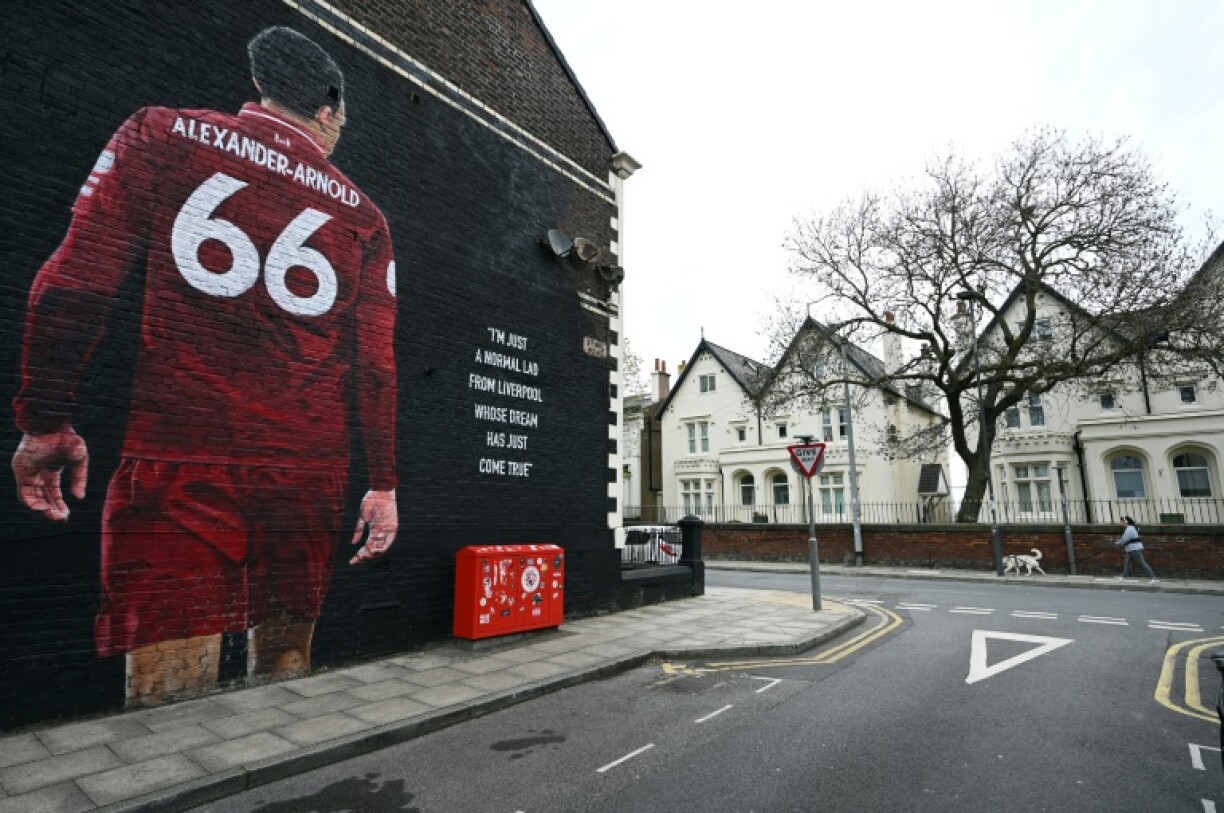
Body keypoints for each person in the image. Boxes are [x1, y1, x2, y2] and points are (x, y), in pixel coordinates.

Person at [11, 26, 399, 705]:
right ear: (329, 110)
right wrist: (384, 481)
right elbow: (377, 366)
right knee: (285, 660)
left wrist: (45, 419)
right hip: (308, 469)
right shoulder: (362, 213)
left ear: (262, 87)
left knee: (166, 682)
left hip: (181, 454)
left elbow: (75, 282)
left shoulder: (162, 133)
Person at [1114, 516, 1157, 584]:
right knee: (1127, 564)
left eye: (1122, 521)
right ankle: (1124, 577)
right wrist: (1119, 542)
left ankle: (1153, 578)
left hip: (1135, 548)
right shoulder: (1130, 528)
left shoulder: (1130, 529)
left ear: (1126, 521)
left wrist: (1118, 543)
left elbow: (1125, 539)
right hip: (1130, 549)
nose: (1121, 523)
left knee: (1142, 563)